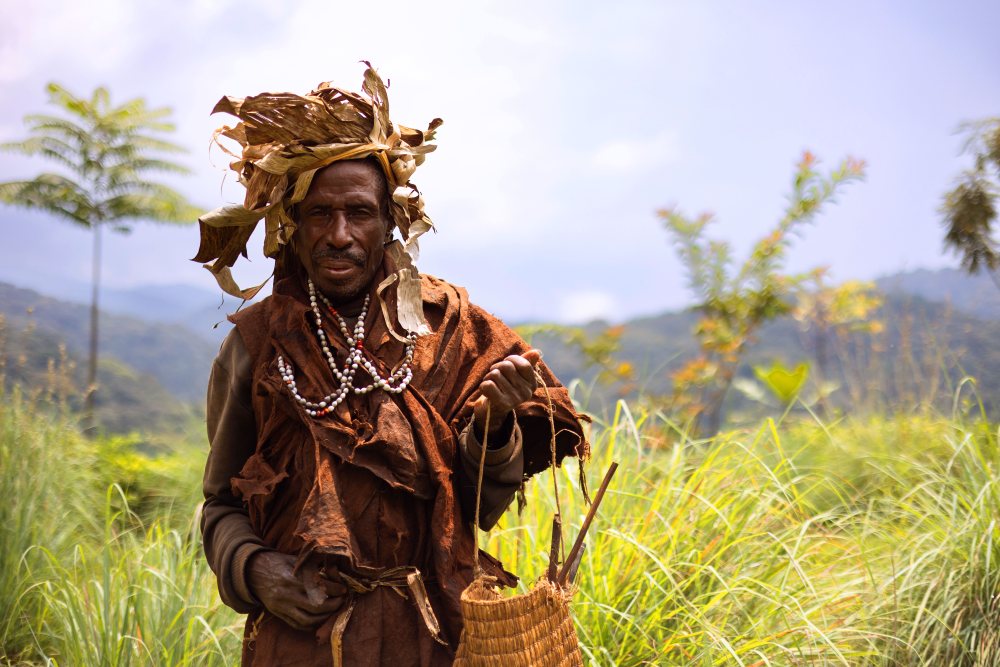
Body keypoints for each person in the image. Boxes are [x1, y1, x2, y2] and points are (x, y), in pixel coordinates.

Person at [197, 66, 589, 666]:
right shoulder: (256, 345)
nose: (340, 234)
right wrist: (256, 570)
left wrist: (494, 427)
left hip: (431, 635)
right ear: (292, 227)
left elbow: (477, 510)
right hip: (301, 641)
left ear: (390, 224)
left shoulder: (451, 329)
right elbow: (220, 502)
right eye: (319, 214)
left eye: (359, 213)